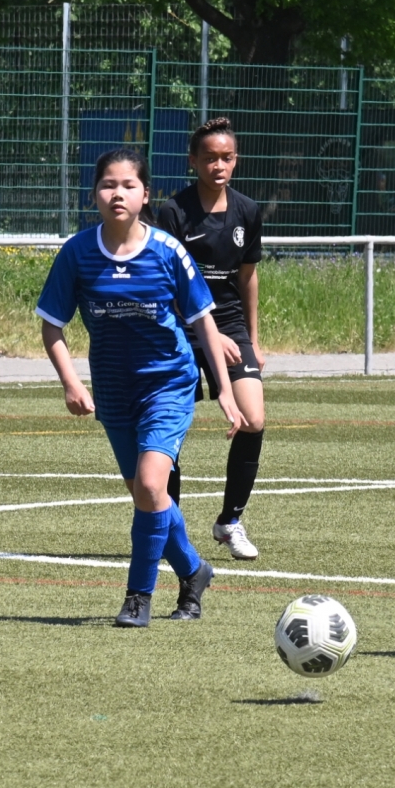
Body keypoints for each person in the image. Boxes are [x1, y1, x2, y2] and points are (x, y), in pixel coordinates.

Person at [37, 146, 246, 627]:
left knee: (152, 485)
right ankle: (194, 571)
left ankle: (138, 597)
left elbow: (204, 320)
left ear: (145, 194)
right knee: (147, 496)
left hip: (168, 384)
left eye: (128, 185)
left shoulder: (168, 251)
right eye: (108, 185)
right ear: (94, 194)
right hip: (113, 390)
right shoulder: (78, 253)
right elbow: (52, 326)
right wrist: (71, 383)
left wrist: (224, 389)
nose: (118, 193)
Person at [155, 118, 267, 560]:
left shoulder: (248, 211)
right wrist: (208, 333)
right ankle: (169, 529)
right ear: (193, 161)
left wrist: (252, 339)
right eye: (209, 158)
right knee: (170, 429)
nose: (218, 166)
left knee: (253, 419)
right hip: (182, 325)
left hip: (231, 325)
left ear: (235, 160)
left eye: (226, 158)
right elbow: (168, 284)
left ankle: (229, 522)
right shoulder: (173, 212)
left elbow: (248, 277)